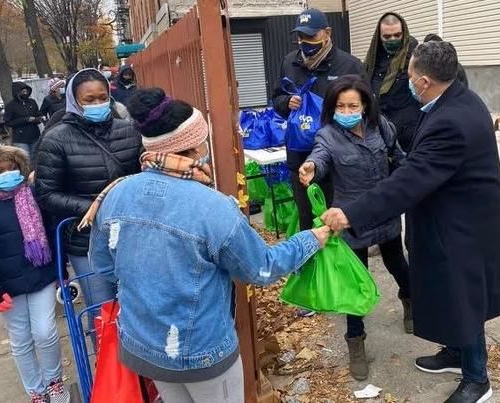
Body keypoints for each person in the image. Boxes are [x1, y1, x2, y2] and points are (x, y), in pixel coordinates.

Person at [81, 88, 331, 403]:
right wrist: (311, 239)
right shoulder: (212, 207)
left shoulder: (116, 193)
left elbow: (103, 265)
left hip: (146, 344)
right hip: (202, 351)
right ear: (195, 145)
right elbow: (262, 267)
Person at [321, 42, 500, 403]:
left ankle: (477, 379)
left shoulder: (450, 121)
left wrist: (351, 212)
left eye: (410, 75)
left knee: (465, 299)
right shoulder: (456, 98)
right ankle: (457, 353)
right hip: (458, 217)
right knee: (453, 293)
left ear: (424, 80)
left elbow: (408, 182)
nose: (407, 80)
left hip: (464, 227)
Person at [298, 75, 411, 380]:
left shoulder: (381, 127)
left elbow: (399, 159)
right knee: (354, 282)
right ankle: (356, 340)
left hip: (385, 212)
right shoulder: (327, 136)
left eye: (353, 106)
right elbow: (319, 158)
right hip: (351, 219)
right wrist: (312, 167)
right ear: (333, 107)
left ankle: (409, 299)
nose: (346, 111)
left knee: (397, 263)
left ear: (364, 106)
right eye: (340, 106)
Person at [35, 68, 143, 347]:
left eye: (102, 97)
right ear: (74, 100)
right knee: (102, 313)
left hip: (131, 236)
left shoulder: (130, 130)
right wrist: (95, 207)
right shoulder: (56, 139)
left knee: (139, 307)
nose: (97, 104)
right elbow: (46, 193)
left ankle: (145, 380)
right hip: (87, 241)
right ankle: (111, 382)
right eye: (89, 99)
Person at [0, 144, 70, 403]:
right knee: (21, 340)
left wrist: (61, 270)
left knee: (45, 332)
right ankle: (36, 392)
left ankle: (54, 382)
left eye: (11, 168)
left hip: (41, 275)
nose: (7, 173)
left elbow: (52, 233)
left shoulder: (34, 195)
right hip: (5, 286)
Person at [271, 8, 365, 234]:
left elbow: (367, 108)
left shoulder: (349, 66)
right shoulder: (289, 62)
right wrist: (286, 103)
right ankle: (313, 266)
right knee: (307, 220)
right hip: (300, 160)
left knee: (339, 221)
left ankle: (341, 267)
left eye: (311, 36)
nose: (305, 42)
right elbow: (276, 98)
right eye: (300, 37)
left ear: (327, 33)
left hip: (337, 160)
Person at [365, 12, 420, 153]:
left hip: (408, 134)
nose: (393, 39)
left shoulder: (416, 58)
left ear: (404, 33)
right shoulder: (373, 59)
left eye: (397, 35)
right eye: (387, 37)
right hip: (379, 133)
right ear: (379, 36)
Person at [5, 82, 44, 158]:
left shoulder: (32, 102)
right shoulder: (11, 105)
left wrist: (40, 118)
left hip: (35, 136)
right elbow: (8, 122)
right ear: (17, 92)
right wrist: (25, 120)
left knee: (36, 159)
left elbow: (38, 114)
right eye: (23, 92)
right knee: (25, 159)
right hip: (21, 139)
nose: (25, 93)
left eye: (26, 91)